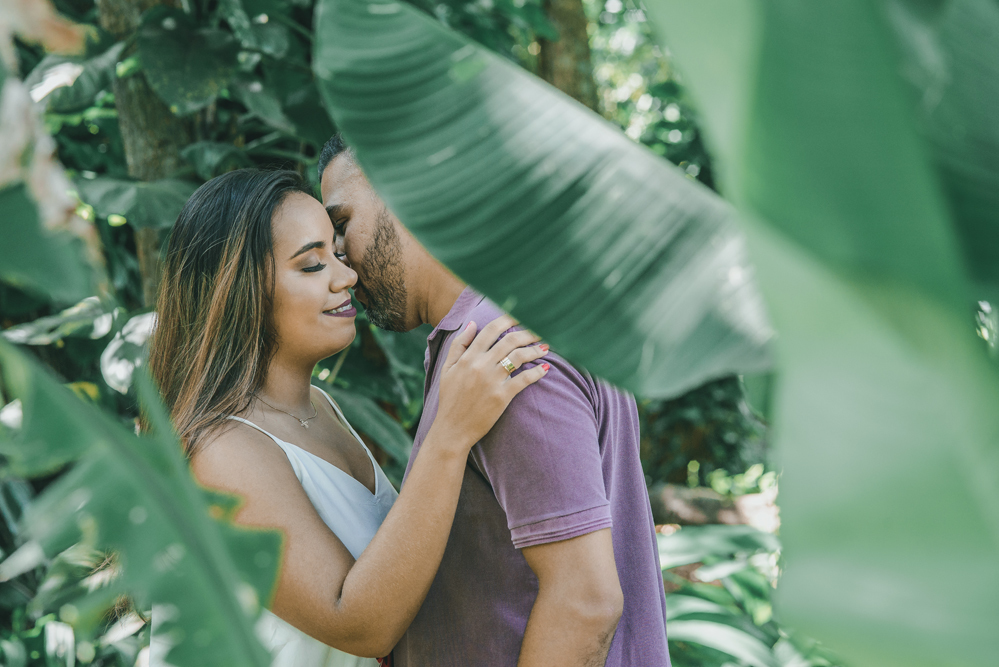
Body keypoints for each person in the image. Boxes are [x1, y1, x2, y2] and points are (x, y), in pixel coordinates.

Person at [147, 169, 550, 666]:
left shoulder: (321, 408)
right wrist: (450, 433)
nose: (347, 276)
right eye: (312, 265)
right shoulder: (221, 449)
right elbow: (357, 626)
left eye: (338, 255)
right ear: (239, 289)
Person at [318, 135, 671, 666]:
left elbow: (586, 601)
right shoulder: (497, 331)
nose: (338, 262)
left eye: (341, 225)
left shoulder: (500, 347)